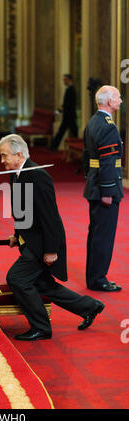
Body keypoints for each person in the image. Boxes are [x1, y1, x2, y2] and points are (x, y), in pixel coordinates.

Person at [0, 134, 104, 341]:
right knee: (43, 285)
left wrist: (51, 250)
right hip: (29, 239)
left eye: (4, 156)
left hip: (42, 243)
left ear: (19, 154)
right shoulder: (15, 173)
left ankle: (41, 327)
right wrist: (17, 235)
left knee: (16, 278)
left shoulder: (38, 176)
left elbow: (50, 217)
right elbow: (23, 211)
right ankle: (90, 307)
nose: (2, 161)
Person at [83, 85, 123, 292]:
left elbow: (86, 157)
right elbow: (107, 161)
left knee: (96, 233)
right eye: (117, 97)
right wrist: (108, 191)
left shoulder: (93, 121)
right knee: (103, 236)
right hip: (105, 188)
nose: (121, 101)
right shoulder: (108, 126)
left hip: (94, 185)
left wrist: (90, 180)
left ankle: (94, 276)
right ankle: (98, 279)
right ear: (108, 101)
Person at [51, 74, 78, 151]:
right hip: (68, 115)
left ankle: (54, 147)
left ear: (70, 80)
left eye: (65, 79)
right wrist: (58, 111)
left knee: (68, 132)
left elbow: (68, 104)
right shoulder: (69, 89)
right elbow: (65, 104)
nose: (64, 81)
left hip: (70, 116)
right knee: (62, 132)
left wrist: (59, 111)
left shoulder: (71, 90)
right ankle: (54, 147)